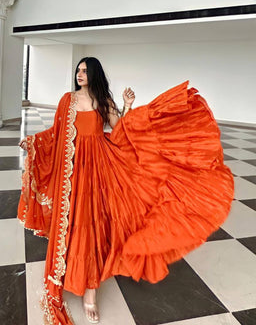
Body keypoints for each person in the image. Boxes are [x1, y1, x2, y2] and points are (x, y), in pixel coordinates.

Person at [18, 57, 234, 325]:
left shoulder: (103, 101)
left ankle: (90, 294)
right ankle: (68, 273)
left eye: (85, 70)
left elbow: (122, 130)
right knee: (72, 224)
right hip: (73, 172)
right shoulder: (67, 100)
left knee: (95, 226)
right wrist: (33, 143)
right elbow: (56, 133)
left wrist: (129, 106)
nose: (80, 74)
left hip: (100, 168)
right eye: (78, 70)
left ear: (94, 74)